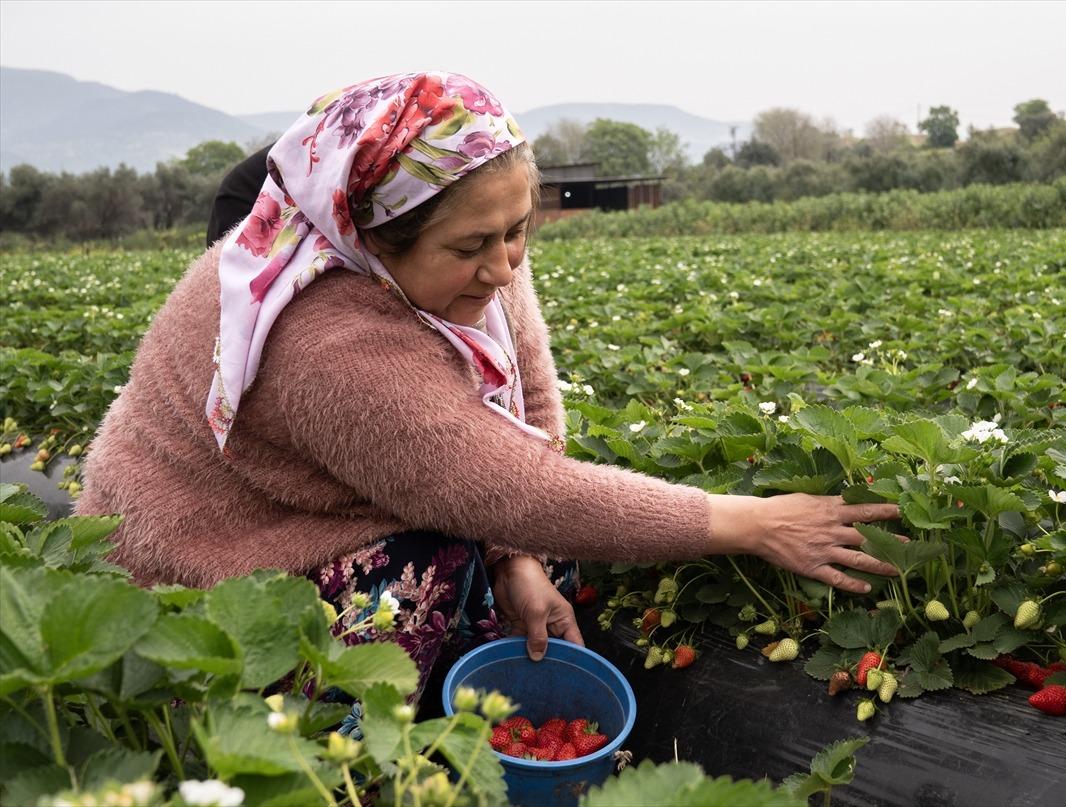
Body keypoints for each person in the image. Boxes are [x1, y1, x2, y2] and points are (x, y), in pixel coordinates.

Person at [77, 72, 900, 702]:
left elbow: (530, 415)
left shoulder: (467, 214)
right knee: (425, 569)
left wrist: (520, 555)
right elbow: (512, 483)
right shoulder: (325, 335)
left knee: (544, 565)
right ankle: (326, 751)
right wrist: (756, 523)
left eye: (520, 231)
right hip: (208, 564)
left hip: (341, 498)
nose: (505, 265)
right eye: (477, 244)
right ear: (377, 240)